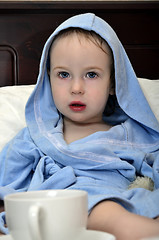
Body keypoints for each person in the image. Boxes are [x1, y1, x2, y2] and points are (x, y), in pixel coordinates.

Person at [0, 13, 159, 240]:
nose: (76, 87)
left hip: (122, 200)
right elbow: (6, 181)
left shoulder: (134, 135)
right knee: (108, 213)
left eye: (91, 74)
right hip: (65, 209)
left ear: (113, 83)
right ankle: (127, 228)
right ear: (48, 80)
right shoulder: (35, 137)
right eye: (63, 74)